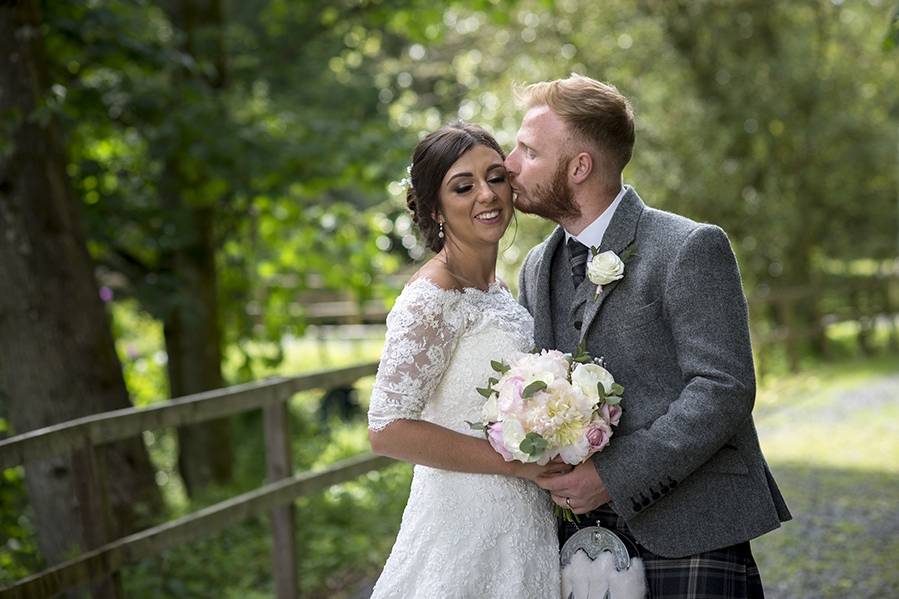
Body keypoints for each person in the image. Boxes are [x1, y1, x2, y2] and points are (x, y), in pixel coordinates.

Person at [507, 74, 792, 598]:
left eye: (527, 150)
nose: (508, 164)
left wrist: (614, 476)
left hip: (690, 530)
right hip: (576, 543)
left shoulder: (688, 246)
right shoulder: (533, 266)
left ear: (579, 167)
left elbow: (723, 387)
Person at [367, 123, 566, 598]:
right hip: (461, 527)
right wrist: (515, 465)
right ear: (436, 208)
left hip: (525, 525)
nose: (487, 195)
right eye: (464, 186)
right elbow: (387, 429)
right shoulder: (431, 298)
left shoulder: (499, 293)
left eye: (496, 177)